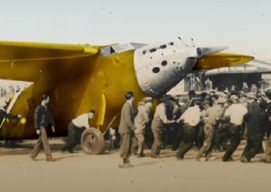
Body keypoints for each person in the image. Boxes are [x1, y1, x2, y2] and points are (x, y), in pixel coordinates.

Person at [197, 95, 224, 161]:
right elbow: (218, 118)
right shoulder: (220, 109)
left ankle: (207, 155)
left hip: (207, 125)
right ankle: (199, 156)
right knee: (207, 142)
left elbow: (202, 115)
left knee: (210, 141)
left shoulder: (211, 108)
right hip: (211, 126)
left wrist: (205, 119)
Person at [30, 94, 56, 162]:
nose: (49, 100)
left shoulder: (46, 108)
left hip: (44, 126)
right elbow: (36, 118)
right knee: (45, 141)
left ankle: (32, 155)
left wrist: (53, 125)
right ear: (45, 99)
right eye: (48, 99)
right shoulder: (39, 108)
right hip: (41, 126)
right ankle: (49, 157)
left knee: (40, 141)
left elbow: (50, 117)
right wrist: (37, 128)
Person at [222, 95, 247, 161]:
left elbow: (226, 115)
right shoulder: (243, 107)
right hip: (237, 126)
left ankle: (228, 155)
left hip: (231, 125)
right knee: (235, 143)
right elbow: (246, 116)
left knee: (233, 142)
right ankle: (226, 156)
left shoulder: (232, 106)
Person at [118, 91, 135, 168]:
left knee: (127, 146)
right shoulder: (127, 106)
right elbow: (128, 119)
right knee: (125, 146)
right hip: (126, 129)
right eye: (133, 97)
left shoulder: (127, 105)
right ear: (132, 97)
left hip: (126, 129)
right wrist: (133, 127)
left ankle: (126, 162)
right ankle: (123, 163)